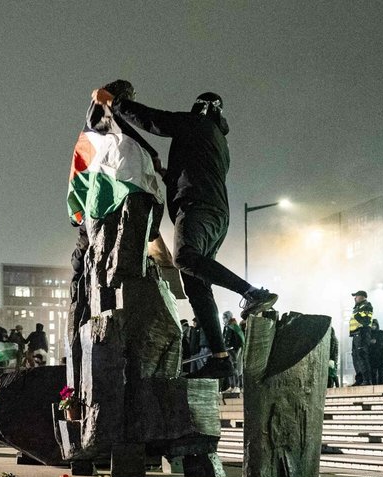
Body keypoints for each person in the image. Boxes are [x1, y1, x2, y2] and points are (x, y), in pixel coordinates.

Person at [91, 87, 278, 379]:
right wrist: (165, 173)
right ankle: (220, 358)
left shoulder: (197, 123)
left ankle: (252, 292)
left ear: (203, 109)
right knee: (196, 285)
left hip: (197, 206)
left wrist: (114, 102)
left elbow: (155, 121)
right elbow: (194, 169)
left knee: (185, 257)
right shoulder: (216, 140)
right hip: (215, 213)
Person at [349, 290, 374, 386]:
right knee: (356, 358)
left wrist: (356, 314)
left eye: (356, 296)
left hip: (362, 333)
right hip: (356, 334)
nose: (355, 298)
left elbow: (366, 321)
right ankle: (359, 379)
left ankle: (367, 380)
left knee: (362, 357)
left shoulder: (367, 306)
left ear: (362, 297)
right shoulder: (358, 307)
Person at [222, 312, 245, 392]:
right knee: (229, 368)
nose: (223, 319)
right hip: (227, 350)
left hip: (234, 350)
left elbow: (240, 339)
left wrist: (235, 348)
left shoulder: (234, 326)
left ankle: (237, 386)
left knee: (236, 368)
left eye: (224, 317)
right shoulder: (226, 327)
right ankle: (231, 385)